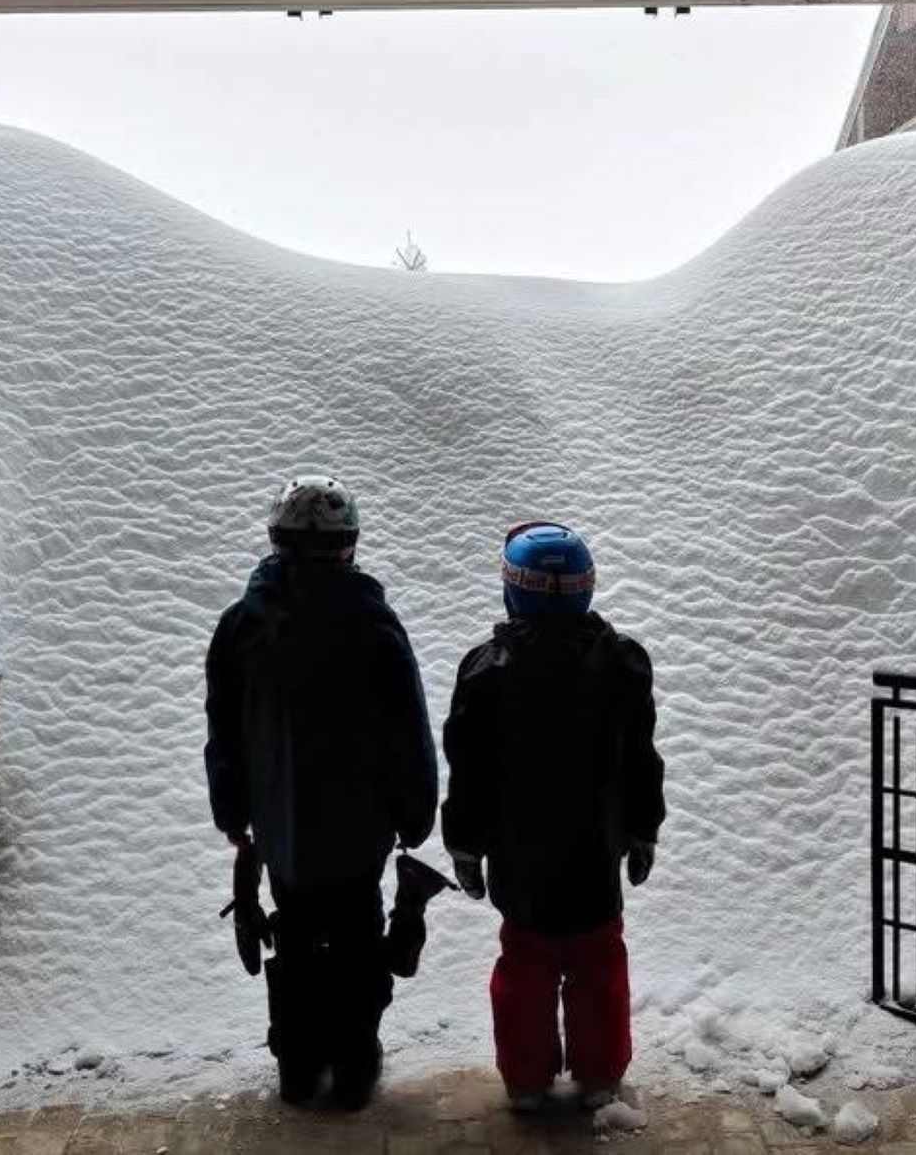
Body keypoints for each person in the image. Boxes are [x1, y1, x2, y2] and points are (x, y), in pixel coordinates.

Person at [204, 475, 438, 1109]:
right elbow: (406, 730)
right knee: (358, 938)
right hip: (360, 830)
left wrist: (233, 813)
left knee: (296, 936)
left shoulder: (241, 626)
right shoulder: (374, 626)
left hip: (281, 829)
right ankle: (355, 1065)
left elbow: (224, 730)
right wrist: (415, 813)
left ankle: (299, 1064)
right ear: (349, 545)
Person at [441, 521, 665, 1113]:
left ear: (513, 591)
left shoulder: (486, 670)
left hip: (520, 858)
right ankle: (600, 1076)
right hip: (596, 853)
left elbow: (468, 770)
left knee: (525, 965)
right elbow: (641, 758)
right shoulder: (622, 663)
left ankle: (526, 1081)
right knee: (598, 962)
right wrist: (643, 828)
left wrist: (464, 843)